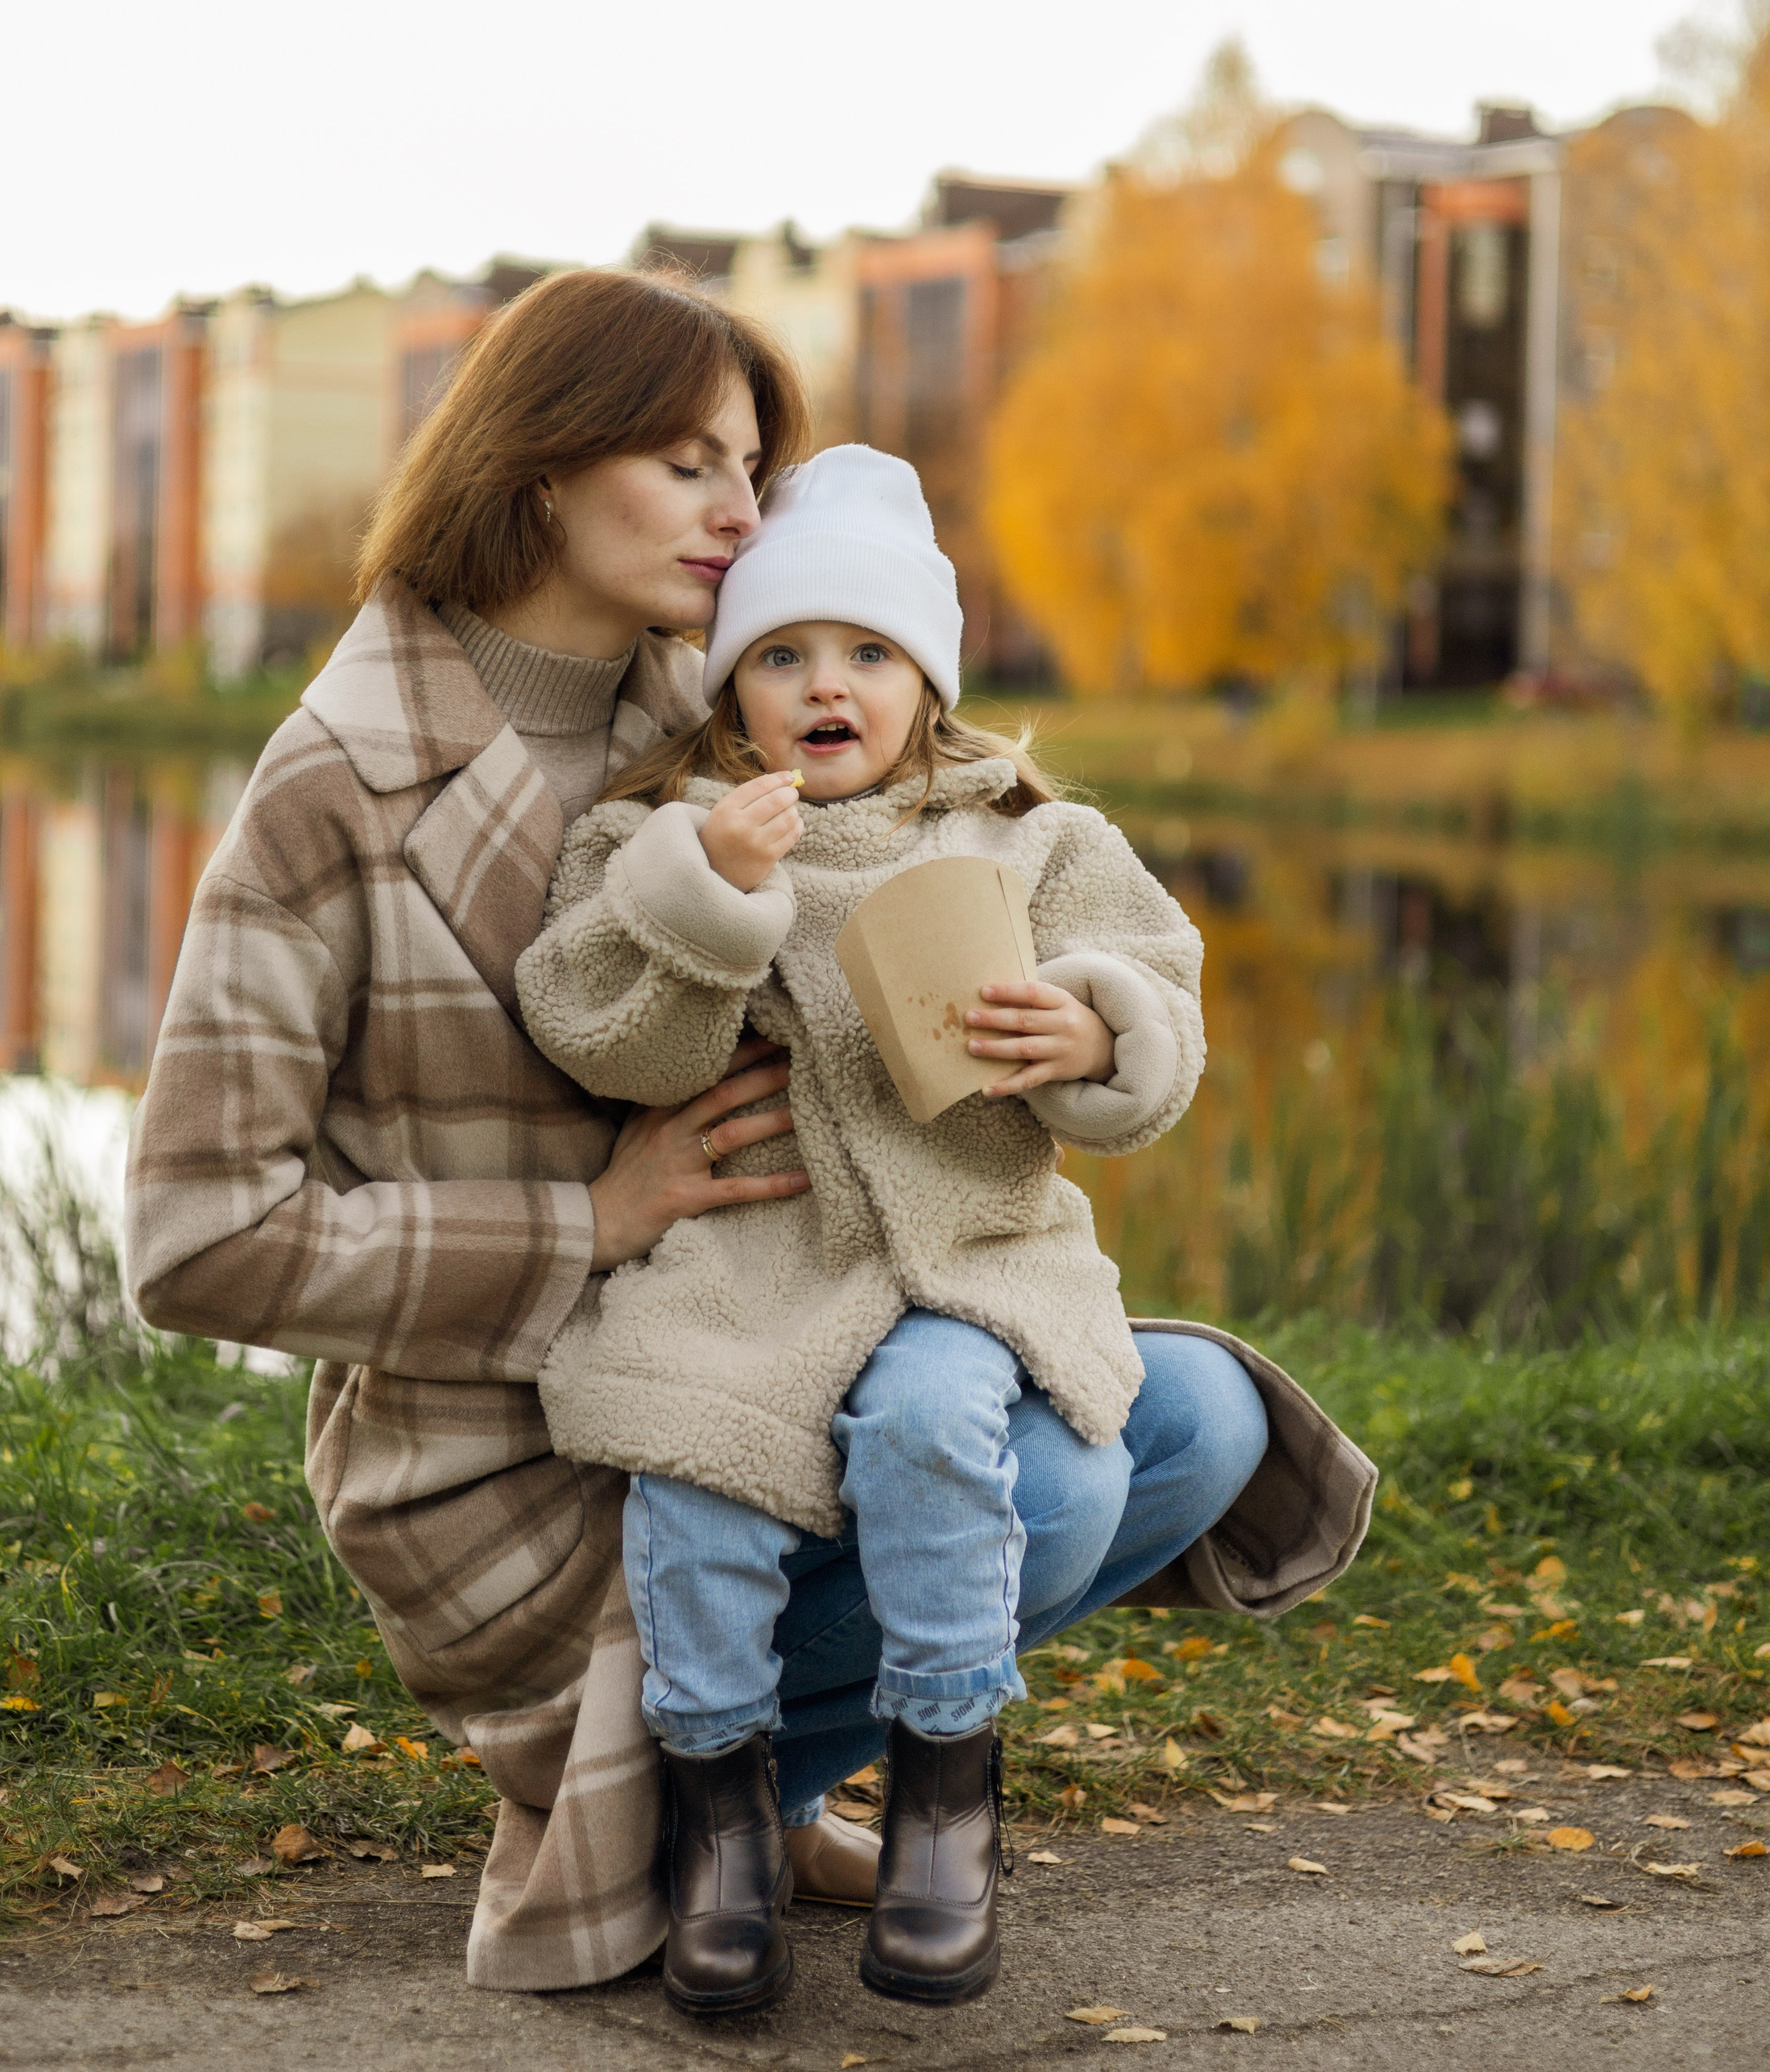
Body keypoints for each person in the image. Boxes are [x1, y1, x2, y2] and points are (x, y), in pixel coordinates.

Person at [124, 267, 1376, 2001]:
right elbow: (197, 1237)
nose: (743, 511)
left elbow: (1017, 871)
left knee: (1192, 1419)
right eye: (689, 464)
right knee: (1059, 1480)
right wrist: (589, 1220)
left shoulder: (740, 702)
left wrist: (1055, 1026)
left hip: (794, 1330)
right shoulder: (331, 786)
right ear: (539, 470)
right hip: (509, 1448)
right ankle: (686, 1808)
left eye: (750, 467)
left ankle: (758, 1800)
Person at [518, 443, 1215, 2012]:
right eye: (780, 654)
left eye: (866, 652)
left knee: (933, 1421)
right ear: (730, 691)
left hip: (967, 1264)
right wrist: (708, 904)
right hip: (752, 1265)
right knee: (695, 1477)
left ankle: (943, 1798)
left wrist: (1095, 1030)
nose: (824, 683)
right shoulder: (661, 840)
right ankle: (719, 1819)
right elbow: (607, 1042)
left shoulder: (1028, 833)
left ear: (925, 682)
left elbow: (1159, 994)